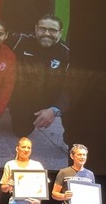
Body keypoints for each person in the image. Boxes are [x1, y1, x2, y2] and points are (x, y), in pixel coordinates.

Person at [7, 14, 70, 146]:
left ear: (60, 32)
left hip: (45, 101)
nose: (46, 33)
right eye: (42, 29)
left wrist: (55, 109)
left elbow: (70, 88)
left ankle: (71, 140)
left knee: (21, 131)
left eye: (52, 30)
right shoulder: (21, 40)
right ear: (35, 29)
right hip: (20, 98)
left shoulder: (66, 53)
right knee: (20, 130)